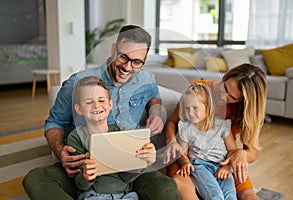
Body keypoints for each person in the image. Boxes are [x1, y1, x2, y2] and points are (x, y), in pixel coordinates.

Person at [23, 25, 179, 200]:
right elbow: (55, 122)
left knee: (167, 188)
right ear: (113, 49)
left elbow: (154, 96)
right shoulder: (78, 83)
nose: (128, 67)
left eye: (136, 62)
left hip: (128, 168)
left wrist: (155, 112)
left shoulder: (146, 78)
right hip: (83, 168)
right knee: (36, 179)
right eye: (123, 57)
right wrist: (61, 152)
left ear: (144, 60)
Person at [164, 63, 267, 200]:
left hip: (223, 161)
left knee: (248, 196)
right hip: (190, 157)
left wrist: (240, 154)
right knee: (188, 190)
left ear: (244, 101)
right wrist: (171, 141)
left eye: (233, 98)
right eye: (224, 87)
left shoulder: (245, 112)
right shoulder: (199, 91)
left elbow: (252, 153)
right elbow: (173, 122)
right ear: (225, 77)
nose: (224, 97)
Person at [69, 76, 156, 200]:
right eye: (89, 102)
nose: (96, 105)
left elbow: (126, 177)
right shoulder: (76, 136)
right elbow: (79, 184)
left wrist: (142, 163)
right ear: (79, 109)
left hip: (126, 195)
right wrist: (86, 176)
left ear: (110, 105)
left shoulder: (122, 132)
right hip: (93, 196)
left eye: (101, 100)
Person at [172, 83, 237, 200]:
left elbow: (233, 151)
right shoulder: (186, 127)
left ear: (207, 107)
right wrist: (185, 163)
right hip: (200, 166)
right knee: (215, 196)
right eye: (187, 108)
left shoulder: (222, 125)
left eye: (195, 108)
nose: (190, 113)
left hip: (222, 166)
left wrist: (228, 167)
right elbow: (182, 154)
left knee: (231, 197)